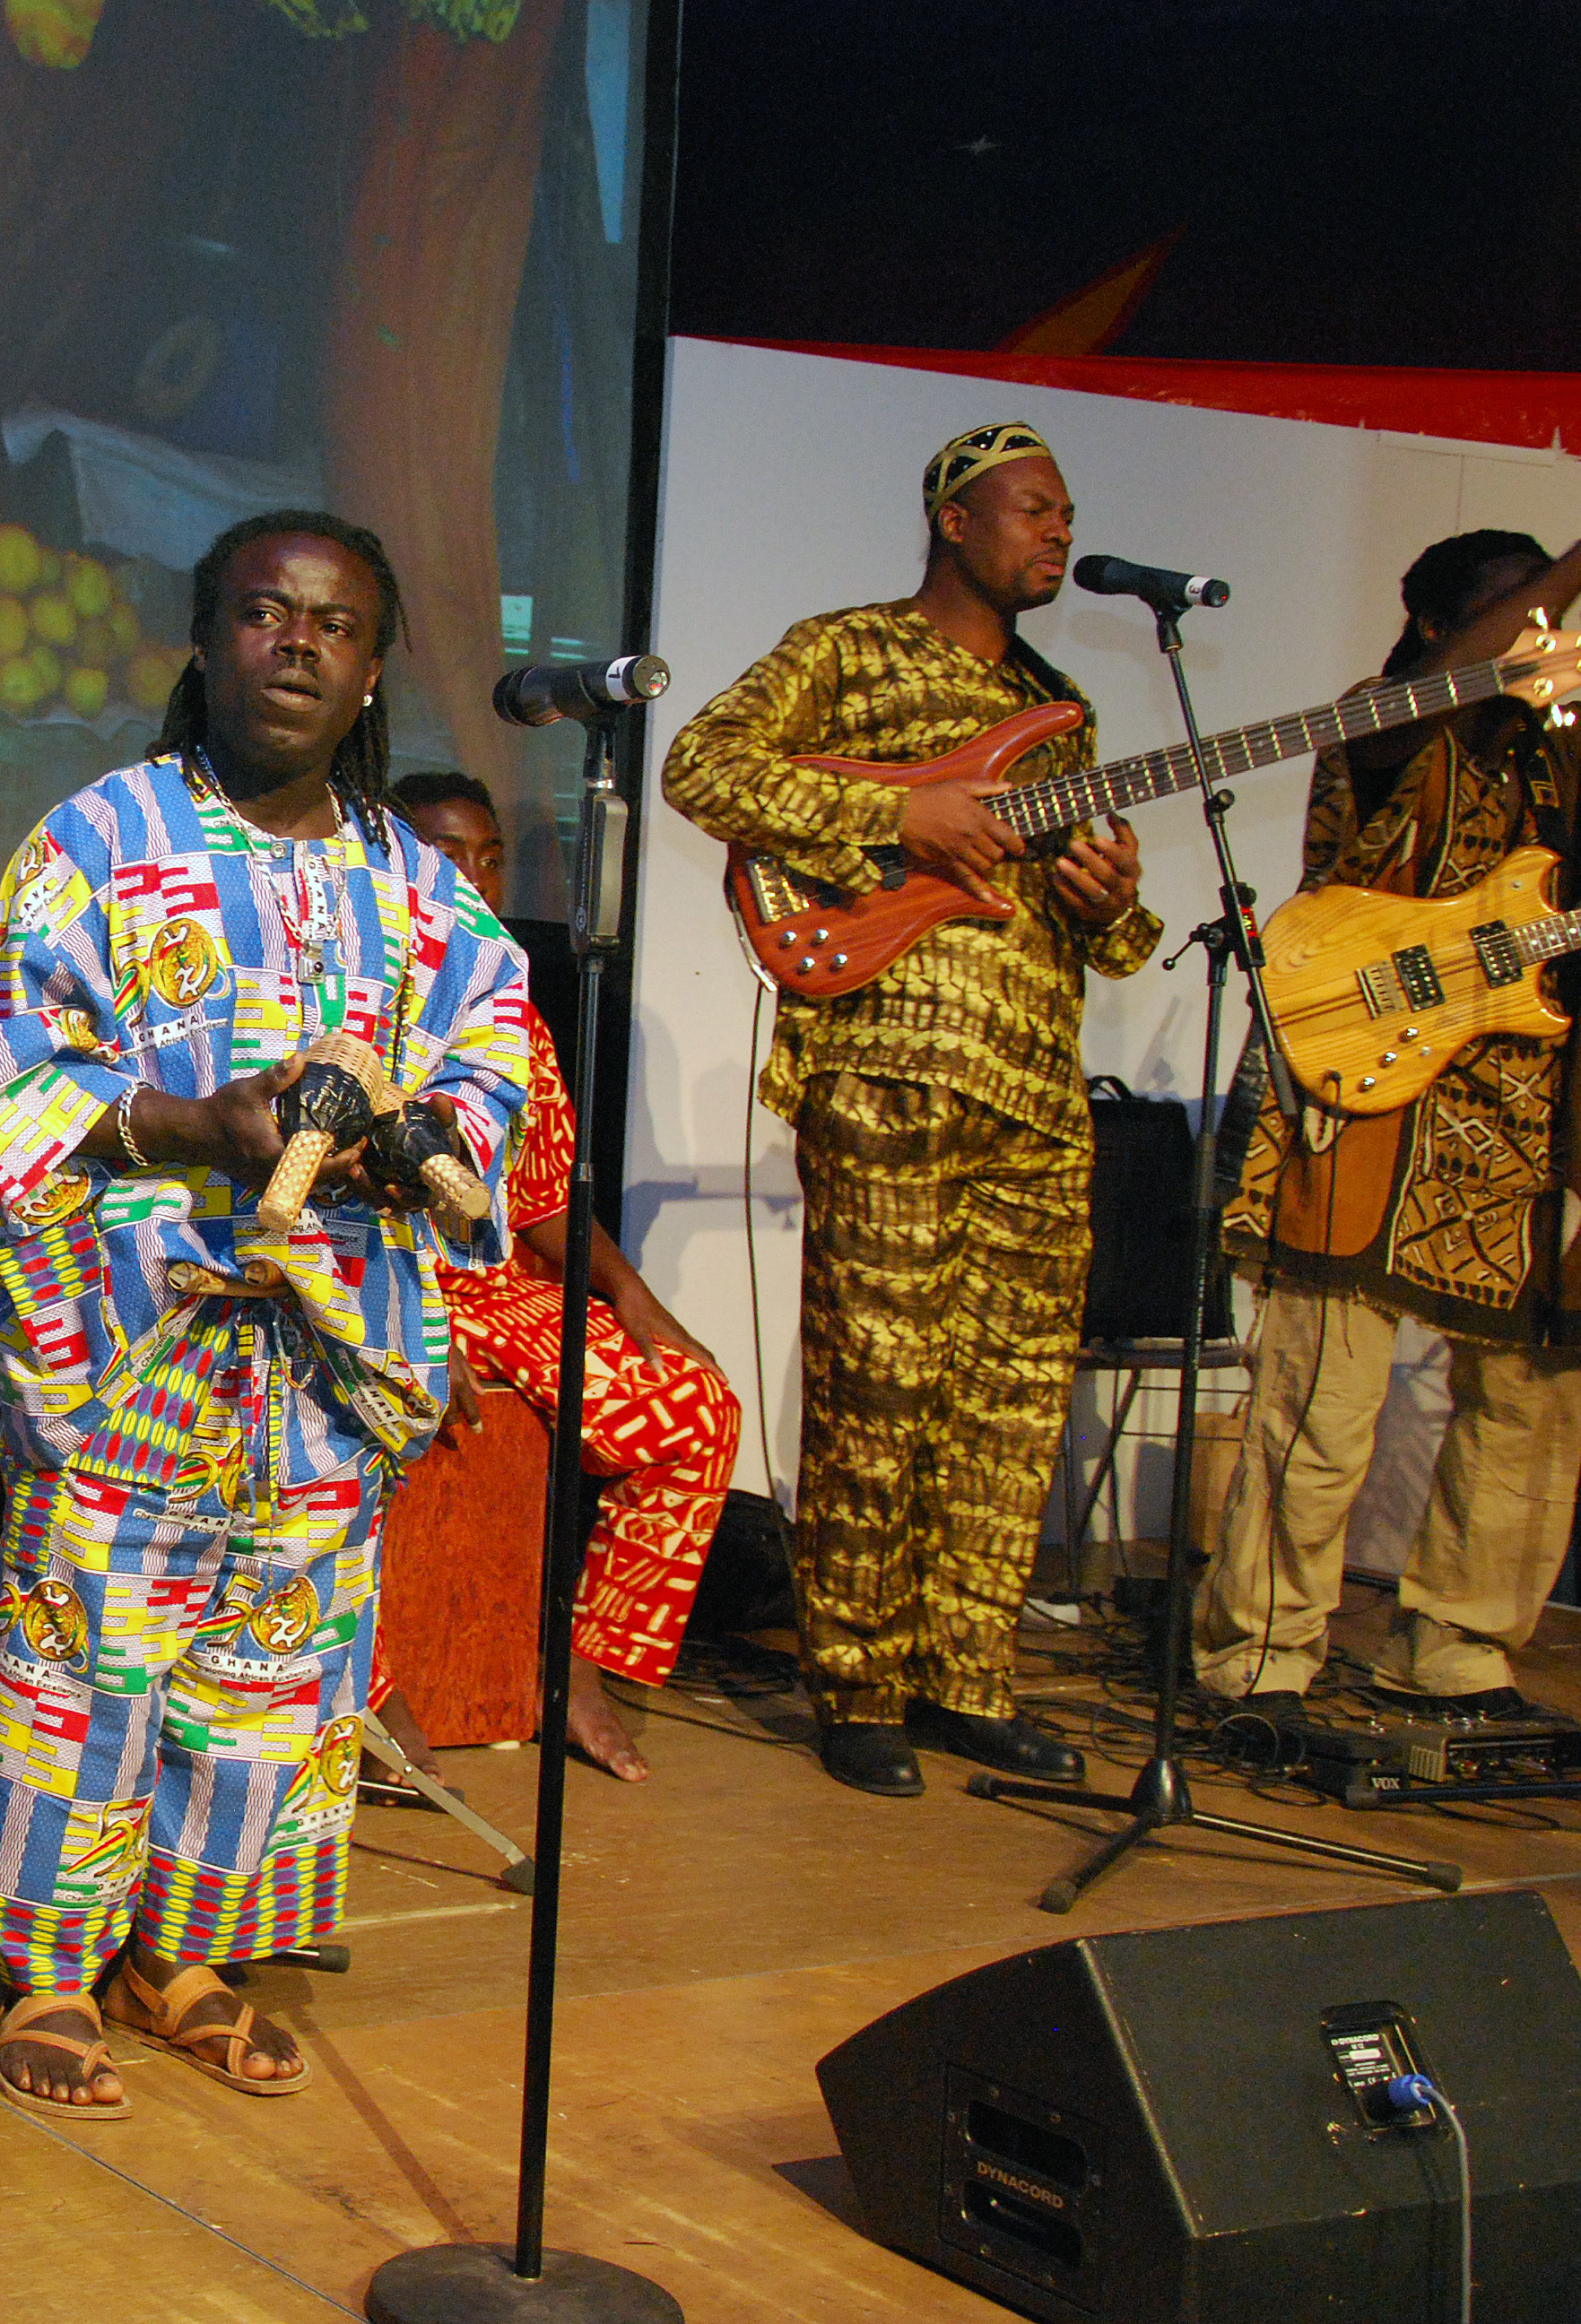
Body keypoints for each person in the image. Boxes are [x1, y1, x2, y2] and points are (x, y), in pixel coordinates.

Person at [0, 513, 533, 2118]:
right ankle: (49, 1974)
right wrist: (191, 1125)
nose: (296, 645)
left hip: (325, 1360)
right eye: (264, 614)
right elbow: (0, 1062)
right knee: (88, 1658)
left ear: (370, 671)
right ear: (205, 642)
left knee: (272, 1678)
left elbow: (493, 1057)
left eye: (333, 625)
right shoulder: (99, 836)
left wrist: (430, 1140)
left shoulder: (422, 890)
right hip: (133, 1343)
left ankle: (182, 1959)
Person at [659, 421, 1155, 1799]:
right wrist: (900, 819)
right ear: (955, 519)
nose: (1059, 533)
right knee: (875, 1384)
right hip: (887, 1065)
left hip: (1037, 1095)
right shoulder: (848, 651)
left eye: (1067, 515)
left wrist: (1115, 906)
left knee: (1012, 1396)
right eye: (1034, 510)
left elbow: (1105, 933)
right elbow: (703, 766)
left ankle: (965, 1682)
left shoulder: (1064, 704)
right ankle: (860, 1687)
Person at [1199, 527, 1581, 1724]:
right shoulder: (1386, 717)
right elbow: (1455, 682)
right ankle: (1261, 1656)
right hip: (1369, 1088)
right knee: (1320, 1394)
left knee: (1527, 1402)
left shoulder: (1559, 754)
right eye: (1520, 614)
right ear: (1435, 625)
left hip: (1520, 1116)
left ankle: (1457, 1648)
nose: (1540, 638)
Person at [387, 772, 744, 1781]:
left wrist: (629, 1293)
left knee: (697, 1411)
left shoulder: (512, 1018)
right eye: (446, 854)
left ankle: (574, 1673)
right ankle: (370, 1694)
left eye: (489, 857)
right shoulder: (342, 998)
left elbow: (541, 1198)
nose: (474, 876)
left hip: (495, 1290)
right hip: (366, 1284)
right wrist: (413, 1324)